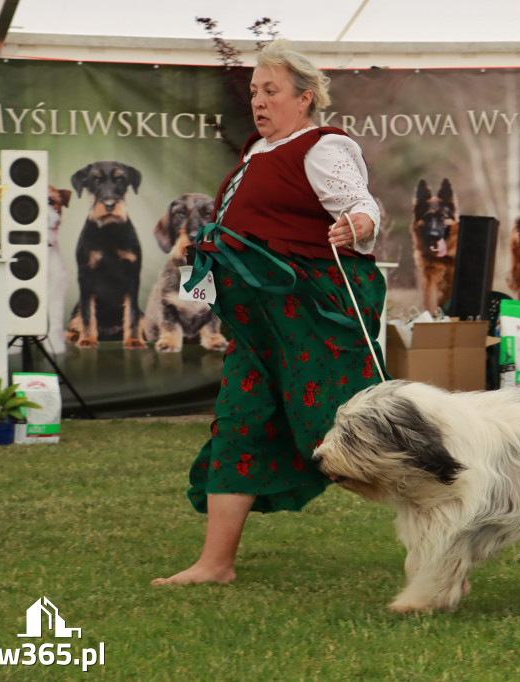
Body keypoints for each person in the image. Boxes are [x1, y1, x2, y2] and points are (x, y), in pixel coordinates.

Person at [152, 39, 387, 586]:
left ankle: (459, 518)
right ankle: (215, 564)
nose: (258, 101)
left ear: (305, 98)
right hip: (259, 326)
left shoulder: (322, 147)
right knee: (240, 421)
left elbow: (362, 203)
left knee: (361, 433)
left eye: (271, 91)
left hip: (313, 319)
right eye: (255, 91)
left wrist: (359, 224)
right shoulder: (257, 151)